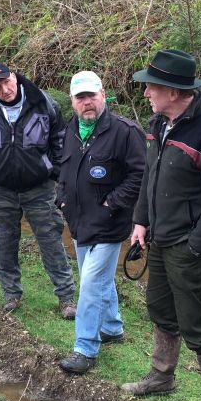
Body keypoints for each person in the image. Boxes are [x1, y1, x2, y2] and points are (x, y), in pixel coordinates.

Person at [123, 49, 201, 401]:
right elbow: (149, 179)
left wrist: (196, 246)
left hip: (190, 246)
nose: (146, 95)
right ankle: (161, 376)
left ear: (174, 91)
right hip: (159, 238)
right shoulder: (159, 124)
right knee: (160, 308)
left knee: (197, 322)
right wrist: (141, 222)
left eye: (151, 88)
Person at [0, 62, 77, 318]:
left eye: (7, 82)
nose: (4, 89)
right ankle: (11, 295)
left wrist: (53, 170)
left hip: (39, 188)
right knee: (3, 244)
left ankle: (66, 298)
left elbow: (60, 139)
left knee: (51, 242)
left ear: (15, 78)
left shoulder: (43, 103)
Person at [56, 71, 145, 375]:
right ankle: (112, 327)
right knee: (98, 279)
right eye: (81, 98)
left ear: (103, 95)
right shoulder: (69, 131)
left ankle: (85, 347)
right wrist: (62, 198)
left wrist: (113, 202)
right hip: (80, 223)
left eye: (92, 96)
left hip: (110, 223)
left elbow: (139, 175)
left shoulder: (125, 131)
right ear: (73, 101)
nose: (87, 103)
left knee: (90, 283)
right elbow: (63, 171)